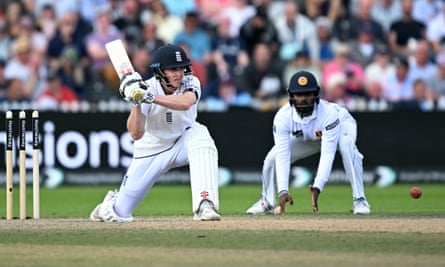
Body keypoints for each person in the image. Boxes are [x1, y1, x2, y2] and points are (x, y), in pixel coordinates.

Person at [90, 44, 221, 222]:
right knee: (118, 214)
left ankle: (205, 203)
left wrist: (149, 97)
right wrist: (136, 101)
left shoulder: (190, 82)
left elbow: (185, 103)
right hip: (151, 150)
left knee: (202, 137)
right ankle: (110, 205)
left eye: (181, 68)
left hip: (183, 141)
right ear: (160, 71)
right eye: (172, 69)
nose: (179, 73)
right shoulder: (146, 88)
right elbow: (136, 134)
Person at [245, 70, 371, 215]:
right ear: (291, 95)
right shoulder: (282, 117)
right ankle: (267, 201)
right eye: (299, 95)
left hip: (341, 127)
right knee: (271, 159)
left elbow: (327, 154)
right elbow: (283, 155)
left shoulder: (329, 114)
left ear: (316, 94)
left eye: (307, 94)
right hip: (310, 136)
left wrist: (318, 186)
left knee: (346, 145)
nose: (303, 99)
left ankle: (360, 200)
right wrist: (283, 191)